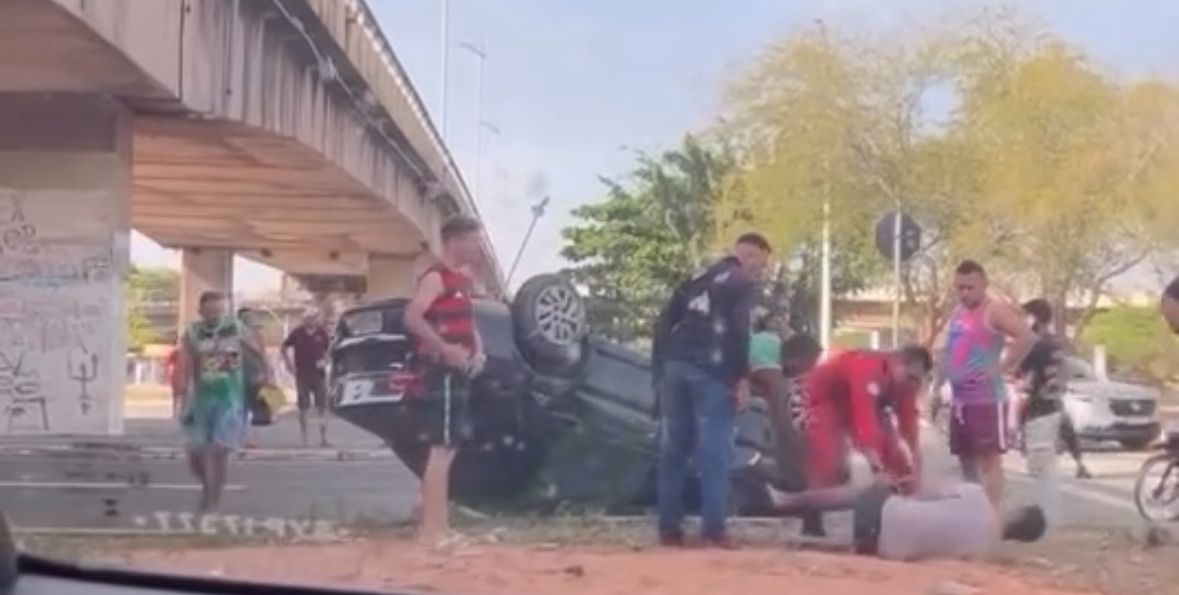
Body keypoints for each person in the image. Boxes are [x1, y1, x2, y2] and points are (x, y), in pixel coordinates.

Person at [651, 233, 771, 548]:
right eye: (761, 262)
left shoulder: (699, 277)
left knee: (673, 451)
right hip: (712, 372)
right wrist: (742, 378)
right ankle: (713, 530)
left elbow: (664, 321)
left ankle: (669, 530)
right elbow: (738, 330)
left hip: (676, 365)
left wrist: (663, 363)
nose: (760, 270)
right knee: (715, 453)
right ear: (750, 254)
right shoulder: (741, 281)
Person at [403, 216, 488, 545]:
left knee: (450, 447)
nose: (477, 246)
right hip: (444, 372)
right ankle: (433, 530)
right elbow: (412, 316)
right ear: (455, 241)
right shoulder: (436, 277)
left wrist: (477, 350)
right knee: (441, 447)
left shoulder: (461, 281)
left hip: (462, 370)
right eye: (473, 240)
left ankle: (438, 524)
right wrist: (446, 349)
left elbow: (469, 324)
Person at [799, 345, 933, 536]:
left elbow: (908, 421)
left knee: (897, 460)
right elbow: (864, 419)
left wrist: (916, 463)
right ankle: (811, 519)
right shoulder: (869, 369)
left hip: (865, 402)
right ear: (897, 363)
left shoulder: (907, 383)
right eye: (911, 377)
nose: (912, 384)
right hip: (827, 399)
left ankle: (904, 514)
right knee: (828, 459)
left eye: (917, 380)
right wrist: (876, 467)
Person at [934, 260, 1035, 510]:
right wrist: (938, 384)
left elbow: (1027, 337)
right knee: (965, 460)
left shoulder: (994, 310)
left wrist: (1000, 367)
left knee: (989, 462)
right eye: (960, 288)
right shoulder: (957, 312)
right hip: (960, 401)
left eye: (970, 287)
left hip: (986, 399)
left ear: (983, 285)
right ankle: (972, 511)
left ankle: (992, 515)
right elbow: (946, 350)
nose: (965, 293)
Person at [764, 477, 1046, 561]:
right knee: (866, 542)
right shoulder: (978, 553)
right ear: (1017, 540)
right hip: (883, 549)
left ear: (1017, 511)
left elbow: (924, 493)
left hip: (886, 512)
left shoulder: (977, 495)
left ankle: (788, 501)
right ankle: (803, 542)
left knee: (869, 491)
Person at [173, 291, 254, 513]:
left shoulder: (235, 328)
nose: (214, 315)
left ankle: (211, 504)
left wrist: (266, 377)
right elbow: (185, 364)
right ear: (200, 311)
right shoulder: (192, 332)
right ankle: (208, 489)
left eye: (218, 311)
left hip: (230, 400)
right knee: (195, 455)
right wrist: (181, 393)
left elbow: (256, 351)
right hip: (201, 399)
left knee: (217, 453)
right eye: (209, 311)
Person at [1017, 299, 1091, 484]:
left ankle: (1037, 463)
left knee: (1032, 424)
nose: (1023, 320)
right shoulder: (1056, 342)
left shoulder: (1035, 343)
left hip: (1040, 394)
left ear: (1035, 318)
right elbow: (1064, 366)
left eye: (1026, 316)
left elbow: (1023, 368)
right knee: (1065, 426)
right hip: (1054, 394)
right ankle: (1080, 464)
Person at [747, 307, 807, 492]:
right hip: (775, 379)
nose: (777, 322)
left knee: (779, 424)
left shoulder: (751, 339)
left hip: (754, 380)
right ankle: (793, 476)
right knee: (784, 425)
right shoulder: (777, 340)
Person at [282, 308, 332, 447]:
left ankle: (323, 437)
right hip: (302, 374)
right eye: (308, 318)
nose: (311, 320)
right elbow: (284, 347)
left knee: (322, 406)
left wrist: (325, 360)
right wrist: (288, 364)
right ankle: (305, 439)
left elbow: (330, 350)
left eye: (314, 318)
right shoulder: (297, 333)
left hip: (319, 374)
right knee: (303, 407)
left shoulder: (322, 333)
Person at [237, 308, 271, 446]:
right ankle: (241, 437)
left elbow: (263, 354)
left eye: (249, 317)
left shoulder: (257, 334)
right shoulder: (234, 334)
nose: (247, 319)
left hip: (255, 373)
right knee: (240, 406)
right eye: (244, 317)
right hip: (239, 373)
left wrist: (267, 372)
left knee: (257, 407)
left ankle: (252, 438)